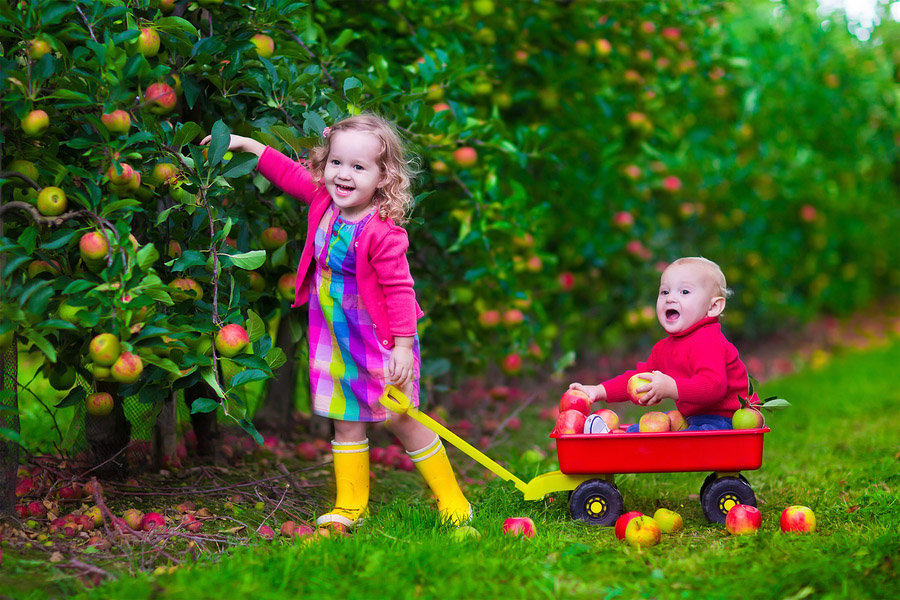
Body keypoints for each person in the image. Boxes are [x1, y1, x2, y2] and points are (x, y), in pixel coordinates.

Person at [201, 114, 470, 527]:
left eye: (359, 168)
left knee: (401, 418)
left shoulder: (382, 233)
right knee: (344, 420)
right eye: (336, 163)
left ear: (383, 177)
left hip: (380, 340)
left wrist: (402, 345)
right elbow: (290, 174)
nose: (344, 175)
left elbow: (400, 291)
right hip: (334, 336)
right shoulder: (324, 200)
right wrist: (249, 146)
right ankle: (350, 506)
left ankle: (453, 501)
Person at [568, 257, 754, 432]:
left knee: (685, 437)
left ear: (712, 307)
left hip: (726, 420)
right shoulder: (664, 349)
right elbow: (637, 378)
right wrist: (598, 390)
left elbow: (713, 387)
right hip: (692, 418)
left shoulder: (708, 341)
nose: (670, 298)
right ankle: (609, 435)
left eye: (684, 292)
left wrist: (671, 387)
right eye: (664, 292)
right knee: (644, 429)